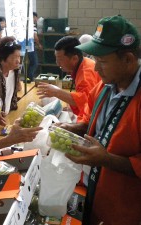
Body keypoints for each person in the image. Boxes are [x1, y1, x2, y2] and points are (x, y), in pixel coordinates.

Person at [60, 15, 141, 225]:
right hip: (93, 194)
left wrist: (105, 159)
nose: (96, 69)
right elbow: (94, 124)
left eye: (102, 61)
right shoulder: (105, 86)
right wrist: (73, 128)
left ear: (129, 60)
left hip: (124, 211)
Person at [37, 36, 101, 121]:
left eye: (60, 59)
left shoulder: (85, 75)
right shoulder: (83, 62)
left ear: (74, 58)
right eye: (56, 58)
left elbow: (86, 102)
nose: (57, 63)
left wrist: (57, 92)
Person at [0, 36, 21, 125]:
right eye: (15, 57)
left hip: (6, 117)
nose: (18, 61)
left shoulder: (15, 70)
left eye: (19, 57)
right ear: (3, 58)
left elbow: (17, 89)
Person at [27, 12, 42, 83]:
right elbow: (35, 37)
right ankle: (29, 78)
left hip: (26, 46)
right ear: (34, 17)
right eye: (36, 18)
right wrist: (39, 44)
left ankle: (28, 77)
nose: (37, 19)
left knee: (31, 62)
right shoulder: (32, 26)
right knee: (34, 62)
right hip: (31, 47)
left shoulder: (27, 25)